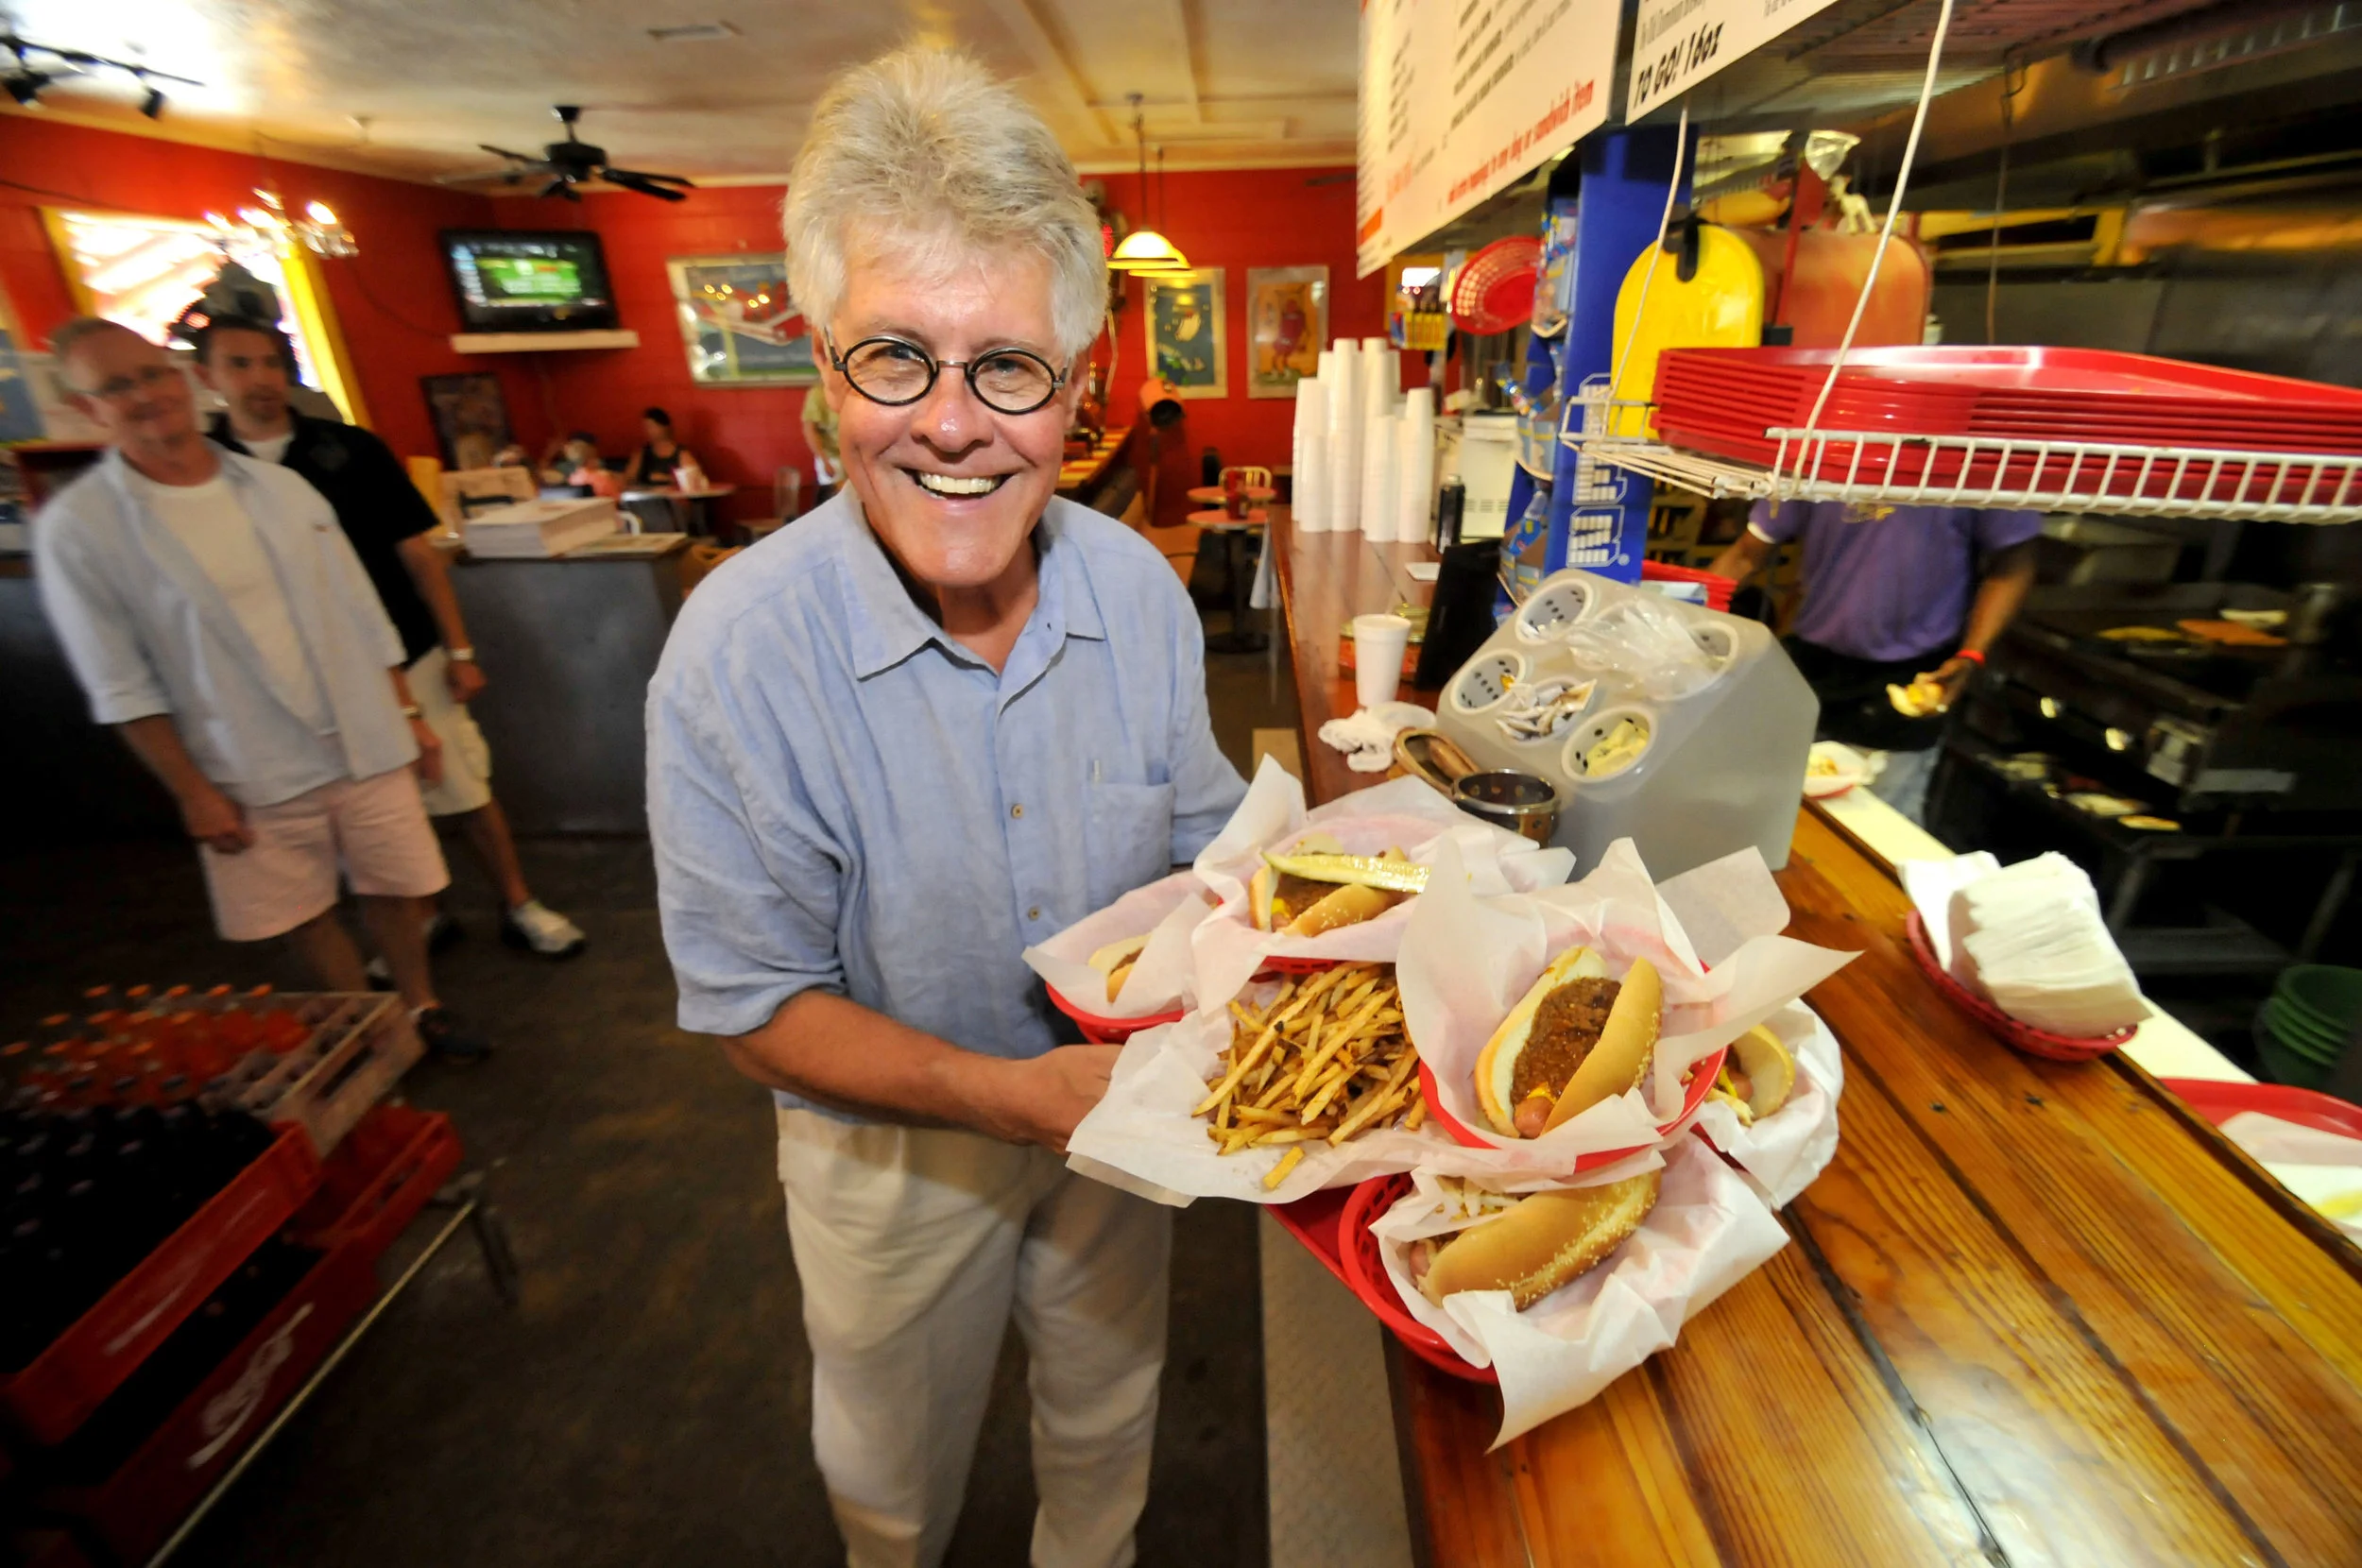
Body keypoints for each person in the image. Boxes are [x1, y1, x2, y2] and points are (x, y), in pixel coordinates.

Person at [645, 47, 1247, 1568]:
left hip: (1112, 1117)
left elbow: (1205, 848)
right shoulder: (736, 655)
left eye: (1010, 366)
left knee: (1108, 1419)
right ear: (822, 372)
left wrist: (1331, 898)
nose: (955, 424)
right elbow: (749, 1003)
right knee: (889, 1471)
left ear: (1078, 389)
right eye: (895, 358)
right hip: (884, 1156)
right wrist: (1004, 1095)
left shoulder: (1139, 590)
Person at [34, 318, 489, 1060]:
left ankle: (420, 1006)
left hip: (361, 729)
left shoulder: (279, 489)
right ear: (87, 408)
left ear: (180, 378)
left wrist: (410, 714)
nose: (145, 396)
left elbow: (360, 611)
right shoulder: (81, 531)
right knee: (303, 908)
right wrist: (191, 790)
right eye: (116, 387)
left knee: (395, 884)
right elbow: (120, 684)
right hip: (241, 757)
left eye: (151, 374)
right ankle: (371, 1036)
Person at [193, 317, 587, 960]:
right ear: (206, 376)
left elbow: (418, 556)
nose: (258, 379)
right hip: (293, 673)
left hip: (405, 646)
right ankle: (417, 919)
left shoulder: (349, 451)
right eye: (239, 364)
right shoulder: (204, 468)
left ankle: (519, 901)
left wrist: (459, 650)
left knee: (461, 786)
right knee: (365, 808)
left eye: (269, 362)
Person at [1709, 499, 2041, 821]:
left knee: (1880, 828)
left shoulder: (1983, 461)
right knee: (1775, 813)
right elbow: (1745, 556)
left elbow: (2013, 563)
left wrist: (1971, 654)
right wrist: (1679, 625)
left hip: (1916, 676)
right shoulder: (1820, 448)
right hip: (1813, 666)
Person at [622, 407, 695, 488]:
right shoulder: (642, 453)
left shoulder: (681, 453)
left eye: (652, 426)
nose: (649, 431)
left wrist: (666, 478)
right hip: (645, 497)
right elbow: (628, 478)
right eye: (646, 427)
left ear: (664, 427)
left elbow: (693, 480)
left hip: (672, 498)